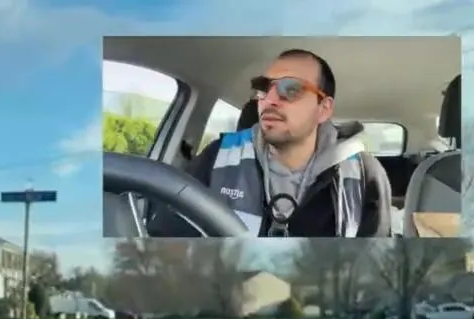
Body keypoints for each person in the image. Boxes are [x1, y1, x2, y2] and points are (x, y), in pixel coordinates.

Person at [147, 48, 385, 238]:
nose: (269, 100)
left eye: (290, 89)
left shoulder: (364, 175)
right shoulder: (218, 157)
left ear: (324, 109)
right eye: (263, 88)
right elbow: (169, 243)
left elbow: (377, 268)